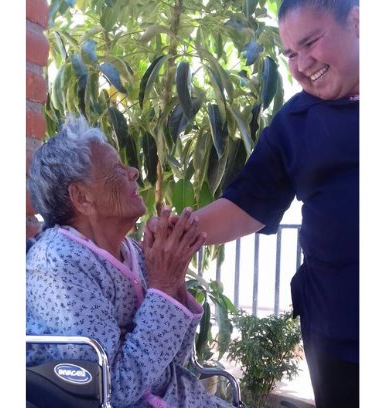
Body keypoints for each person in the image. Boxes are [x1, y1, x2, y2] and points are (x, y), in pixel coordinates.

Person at [152, 1, 360, 406]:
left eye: (310, 43)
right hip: (336, 331)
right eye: (290, 54)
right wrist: (177, 234)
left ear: (356, 21)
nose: (301, 65)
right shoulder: (294, 123)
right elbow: (248, 203)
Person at [26, 115, 234, 408]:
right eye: (117, 169)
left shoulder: (130, 251)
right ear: (82, 197)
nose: (134, 172)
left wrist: (172, 278)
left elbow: (174, 360)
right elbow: (110, 391)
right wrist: (162, 285)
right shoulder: (57, 264)